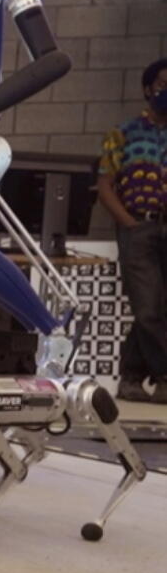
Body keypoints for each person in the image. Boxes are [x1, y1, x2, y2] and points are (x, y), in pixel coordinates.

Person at [98, 57, 167, 405]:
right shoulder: (122, 133)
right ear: (147, 89)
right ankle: (164, 376)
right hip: (138, 226)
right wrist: (129, 222)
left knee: (161, 308)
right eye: (162, 85)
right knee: (147, 309)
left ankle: (131, 378)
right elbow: (105, 185)